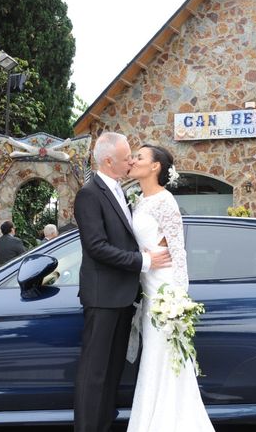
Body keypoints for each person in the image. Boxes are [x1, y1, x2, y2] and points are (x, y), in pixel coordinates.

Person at [73, 132, 172, 432]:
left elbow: (123, 239)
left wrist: (139, 253)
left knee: (112, 371)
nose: (130, 160)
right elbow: (96, 247)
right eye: (126, 156)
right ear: (108, 161)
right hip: (103, 298)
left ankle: (103, 425)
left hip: (124, 298)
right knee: (95, 373)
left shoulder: (120, 191)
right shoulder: (89, 194)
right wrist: (143, 261)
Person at [126, 144, 213, 432]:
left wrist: (178, 301)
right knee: (153, 360)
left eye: (139, 157)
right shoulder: (139, 200)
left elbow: (178, 251)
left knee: (166, 360)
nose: (133, 160)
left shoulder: (166, 202)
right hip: (148, 290)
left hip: (164, 294)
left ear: (155, 167)